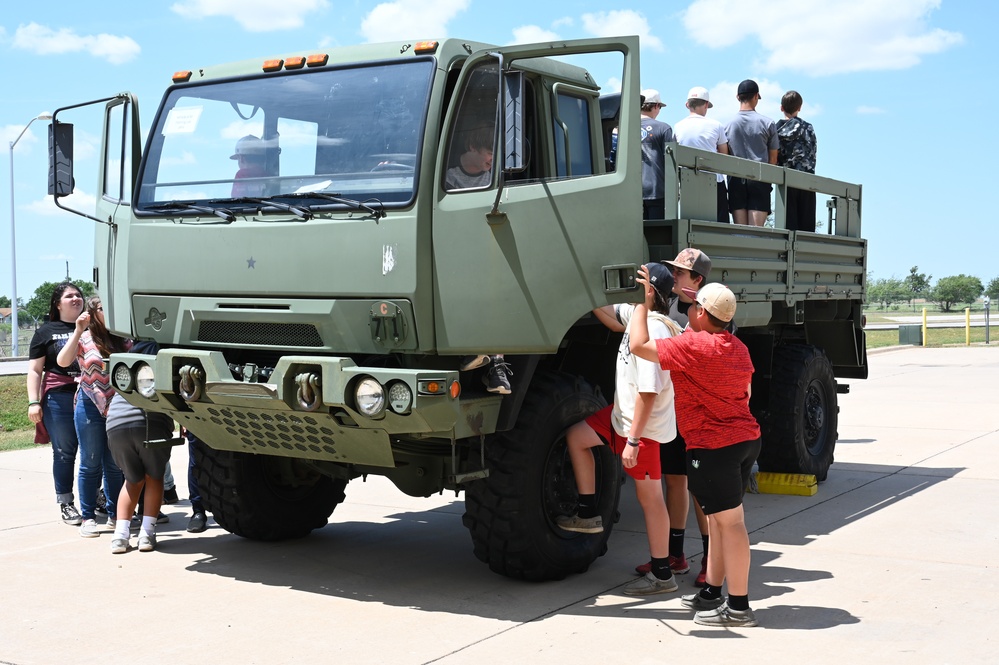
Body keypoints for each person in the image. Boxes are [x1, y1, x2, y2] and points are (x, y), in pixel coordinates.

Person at [630, 273, 762, 627]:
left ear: (703, 314)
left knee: (731, 525)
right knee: (719, 522)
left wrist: (642, 304)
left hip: (714, 448)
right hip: (746, 440)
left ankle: (738, 608)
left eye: (694, 305)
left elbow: (639, 345)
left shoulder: (693, 349)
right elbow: (746, 394)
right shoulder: (736, 347)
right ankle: (711, 594)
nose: (687, 307)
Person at [557, 263, 682, 596]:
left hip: (641, 428)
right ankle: (587, 513)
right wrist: (586, 287)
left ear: (650, 291)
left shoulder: (656, 330)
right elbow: (614, 318)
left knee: (650, 498)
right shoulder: (640, 316)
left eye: (637, 282)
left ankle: (662, 574)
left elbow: (649, 391)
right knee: (578, 436)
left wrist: (634, 441)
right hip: (622, 418)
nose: (630, 287)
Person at [635, 248, 714, 587]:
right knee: (674, 480)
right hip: (672, 414)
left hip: (696, 415)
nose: (674, 277)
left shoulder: (709, 310)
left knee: (700, 490)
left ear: (696, 279)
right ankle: (676, 555)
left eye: (680, 273)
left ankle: (711, 559)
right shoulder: (669, 309)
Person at [444, 123, 512, 394]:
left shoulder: (495, 175)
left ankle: (496, 363)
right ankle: (474, 350)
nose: (492, 160)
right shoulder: (448, 179)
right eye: (488, 152)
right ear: (472, 147)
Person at [56, 295, 127, 538]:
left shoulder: (121, 339)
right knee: (90, 462)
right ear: (94, 312)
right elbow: (62, 361)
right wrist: (78, 330)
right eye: (103, 308)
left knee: (115, 465)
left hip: (117, 405)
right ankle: (88, 517)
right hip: (89, 403)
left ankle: (116, 514)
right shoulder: (84, 337)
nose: (109, 312)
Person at [106, 340, 176, 554]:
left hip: (115, 424)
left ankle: (120, 536)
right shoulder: (160, 366)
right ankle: (146, 533)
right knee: (154, 478)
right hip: (148, 424)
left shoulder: (129, 367)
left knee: (132, 480)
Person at [26, 283, 85, 526]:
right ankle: (66, 503)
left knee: (99, 449)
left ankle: (100, 496)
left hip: (92, 394)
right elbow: (34, 370)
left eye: (78, 295)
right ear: (57, 304)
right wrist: (33, 402)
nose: (76, 299)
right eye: (69, 296)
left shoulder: (96, 326)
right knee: (64, 452)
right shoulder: (46, 332)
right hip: (59, 396)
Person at [674, 87, 731, 224]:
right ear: (706, 104)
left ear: (687, 105)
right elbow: (724, 154)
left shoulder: (678, 126)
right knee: (720, 223)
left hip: (688, 181)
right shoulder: (716, 125)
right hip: (714, 181)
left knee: (691, 222)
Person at [725, 80, 778, 227]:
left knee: (739, 231)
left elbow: (725, 155)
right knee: (756, 233)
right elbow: (773, 159)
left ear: (737, 97)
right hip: (760, 179)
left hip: (735, 180)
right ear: (756, 96)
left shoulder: (728, 125)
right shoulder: (768, 123)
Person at [776, 90, 818, 232]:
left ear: (781, 108)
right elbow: (813, 152)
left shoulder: (777, 129)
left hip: (786, 180)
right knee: (806, 229)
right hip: (807, 181)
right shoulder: (808, 127)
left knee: (788, 226)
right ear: (799, 107)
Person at [638, 89, 675, 220]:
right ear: (656, 106)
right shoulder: (664, 129)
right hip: (657, 190)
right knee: (657, 235)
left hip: (631, 192)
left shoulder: (624, 127)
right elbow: (671, 163)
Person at [444, 125, 493, 191]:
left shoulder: (498, 173)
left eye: (497, 155)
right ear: (473, 147)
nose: (494, 160)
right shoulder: (446, 168)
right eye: (491, 154)